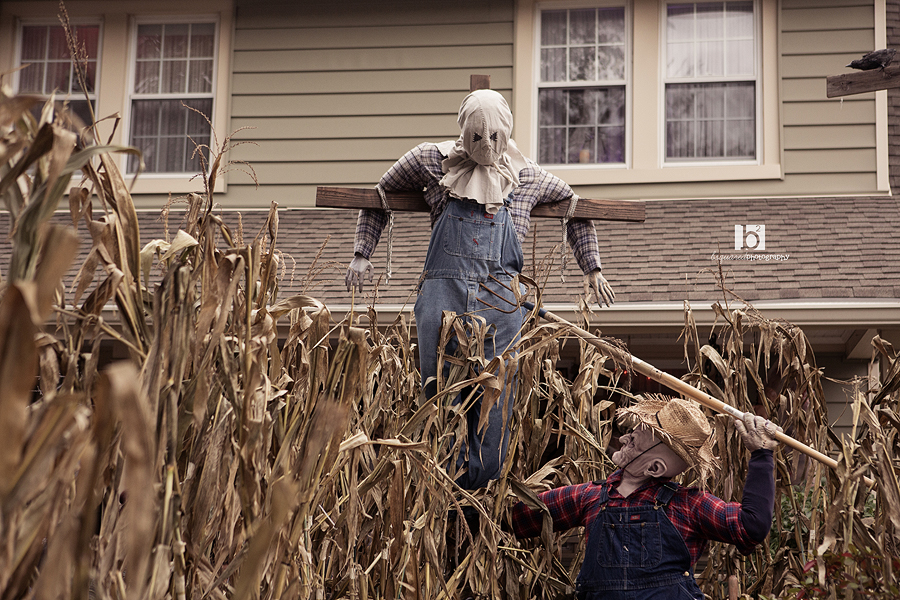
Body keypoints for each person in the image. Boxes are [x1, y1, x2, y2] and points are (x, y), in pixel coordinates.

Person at [345, 89, 614, 490]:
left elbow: (576, 209)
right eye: (476, 137)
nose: (486, 144)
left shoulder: (527, 176)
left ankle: (481, 495)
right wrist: (361, 253)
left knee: (495, 401)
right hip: (443, 297)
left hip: (500, 302)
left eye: (494, 137)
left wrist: (592, 268)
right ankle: (442, 490)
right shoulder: (431, 160)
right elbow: (378, 195)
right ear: (464, 131)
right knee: (440, 396)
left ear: (507, 133)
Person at [511, 396, 781, 599]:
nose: (623, 438)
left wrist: (761, 455)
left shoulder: (688, 505)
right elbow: (516, 518)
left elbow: (751, 526)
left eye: (634, 440)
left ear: (654, 468)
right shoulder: (589, 496)